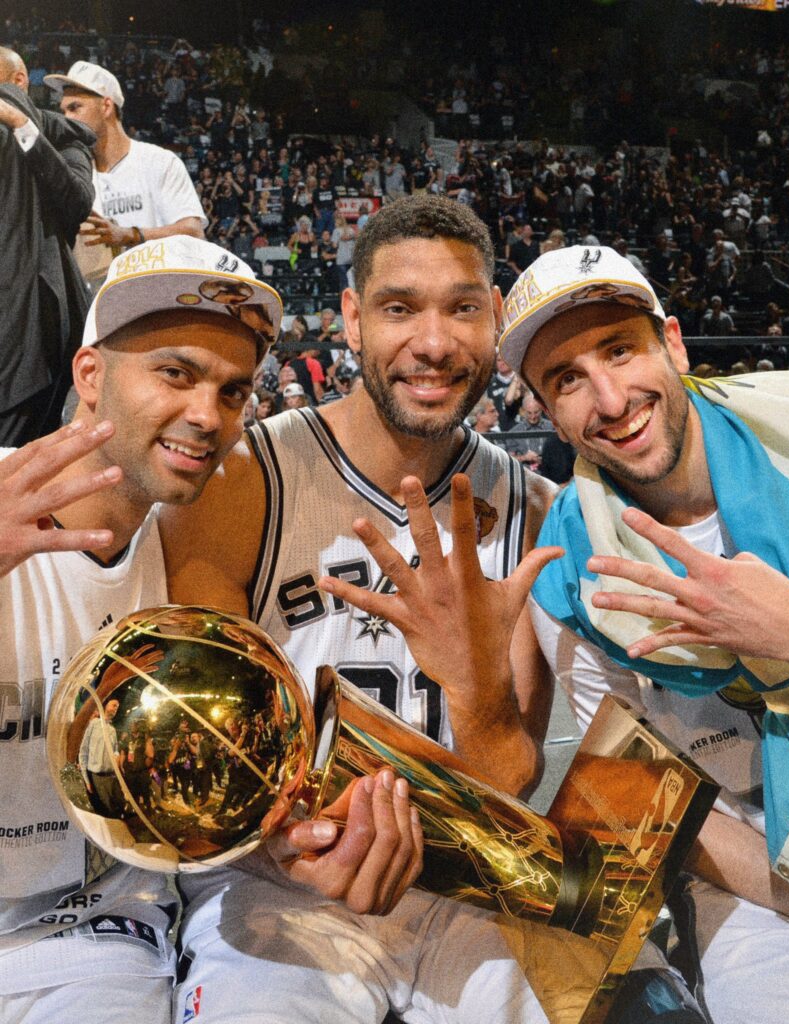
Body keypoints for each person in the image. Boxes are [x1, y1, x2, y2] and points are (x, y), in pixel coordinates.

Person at [161, 194, 558, 1024]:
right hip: (278, 884)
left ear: (494, 321)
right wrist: (284, 841)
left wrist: (475, 690)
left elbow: (512, 776)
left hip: (468, 884)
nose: (434, 342)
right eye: (398, 308)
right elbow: (208, 750)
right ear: (349, 319)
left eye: (463, 309)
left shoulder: (532, 507)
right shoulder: (241, 484)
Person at [497, 244, 789, 1024]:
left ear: (671, 343)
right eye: (567, 379)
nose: (608, 400)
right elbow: (655, 799)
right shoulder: (567, 575)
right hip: (760, 867)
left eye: (619, 349)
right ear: (543, 410)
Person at [0, 234, 281, 1024]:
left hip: (95, 942)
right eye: (176, 373)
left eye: (233, 392)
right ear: (90, 374)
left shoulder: (201, 565)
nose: (207, 415)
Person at [0, 47, 95, 446]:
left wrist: (21, 123)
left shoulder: (65, 138)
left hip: (37, 318)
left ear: (17, 81)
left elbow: (77, 201)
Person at [44, 61, 206, 285]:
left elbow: (194, 233)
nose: (66, 119)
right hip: (100, 307)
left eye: (74, 108)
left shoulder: (159, 161)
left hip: (157, 302)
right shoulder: (74, 174)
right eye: (63, 111)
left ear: (106, 107)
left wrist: (129, 235)